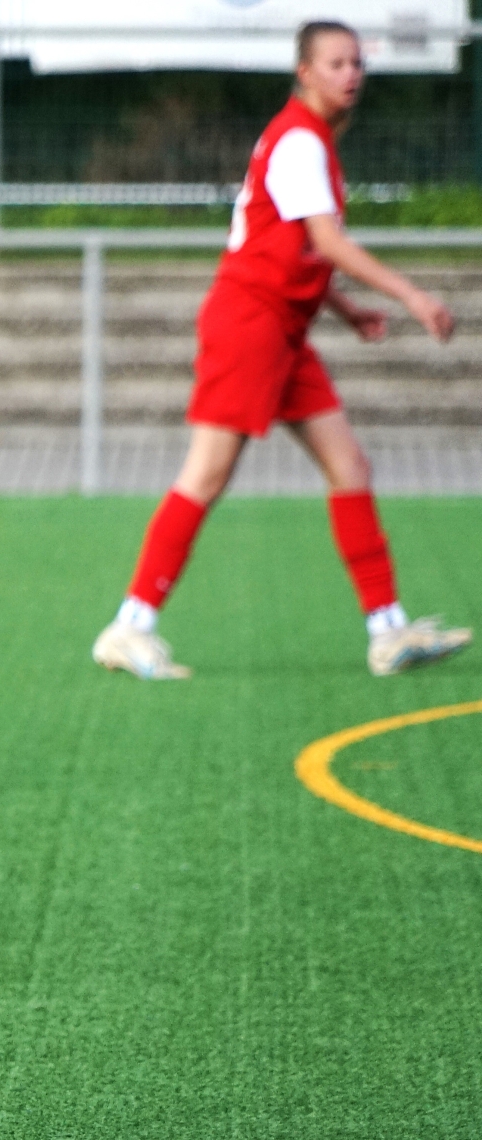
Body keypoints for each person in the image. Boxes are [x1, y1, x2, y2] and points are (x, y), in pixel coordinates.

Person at [94, 22, 471, 681]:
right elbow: (326, 243)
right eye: (336, 63)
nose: (351, 74)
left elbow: (288, 246)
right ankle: (129, 626)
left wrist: (347, 310)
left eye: (357, 63)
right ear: (305, 72)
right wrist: (412, 295)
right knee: (206, 475)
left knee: (349, 466)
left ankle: (387, 631)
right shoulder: (299, 140)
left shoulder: (309, 139)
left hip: (282, 332)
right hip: (249, 325)